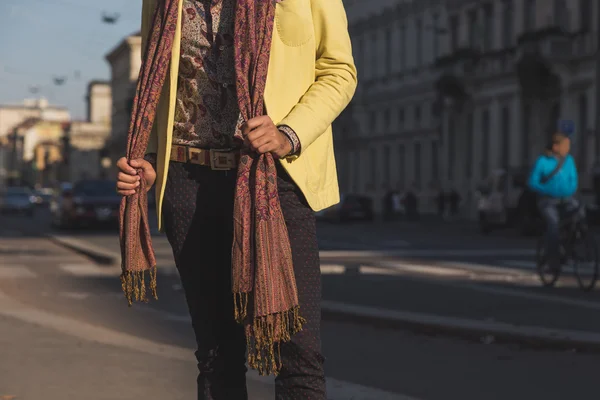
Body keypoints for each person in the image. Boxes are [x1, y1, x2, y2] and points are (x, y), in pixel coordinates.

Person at [115, 0, 357, 399]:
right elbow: (157, 78)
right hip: (186, 180)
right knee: (215, 354)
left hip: (273, 179)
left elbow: (339, 71)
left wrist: (288, 132)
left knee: (298, 355)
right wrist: (152, 158)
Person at [528, 132, 584, 271]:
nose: (568, 148)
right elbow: (532, 182)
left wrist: (570, 190)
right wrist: (547, 190)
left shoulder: (569, 160)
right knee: (553, 225)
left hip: (567, 199)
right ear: (555, 147)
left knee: (580, 214)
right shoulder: (542, 161)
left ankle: (571, 247)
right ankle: (553, 261)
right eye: (565, 145)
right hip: (547, 201)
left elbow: (573, 179)